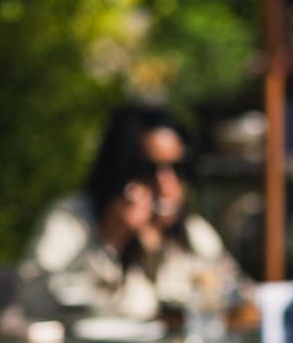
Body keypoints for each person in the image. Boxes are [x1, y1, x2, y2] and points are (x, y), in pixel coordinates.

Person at [16, 104, 234, 321]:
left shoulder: (193, 233)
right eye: (148, 169)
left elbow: (237, 293)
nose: (165, 184)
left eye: (178, 168)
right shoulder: (72, 219)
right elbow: (34, 304)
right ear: (119, 171)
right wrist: (110, 241)